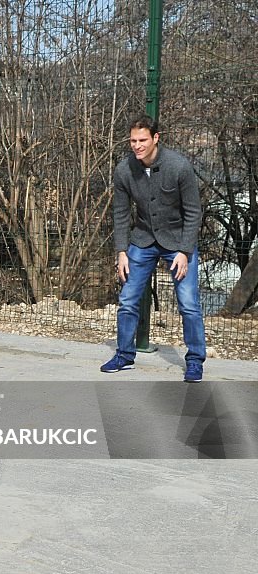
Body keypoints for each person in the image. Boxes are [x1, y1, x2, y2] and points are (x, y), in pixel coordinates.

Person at [102, 115, 206, 382]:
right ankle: (124, 355)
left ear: (155, 138)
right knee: (127, 300)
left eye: (143, 140)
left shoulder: (179, 166)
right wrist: (122, 251)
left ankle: (195, 360)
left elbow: (194, 212)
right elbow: (122, 213)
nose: (137, 146)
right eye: (133, 141)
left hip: (178, 241)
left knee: (189, 304)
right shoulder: (124, 170)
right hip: (143, 239)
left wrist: (184, 251)